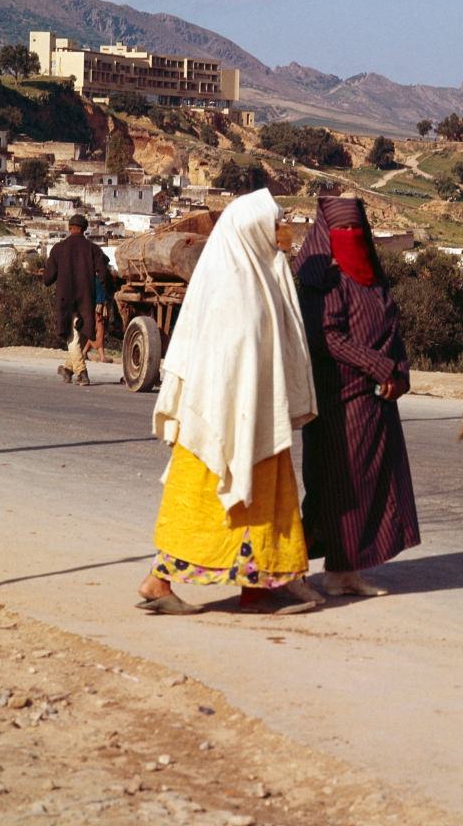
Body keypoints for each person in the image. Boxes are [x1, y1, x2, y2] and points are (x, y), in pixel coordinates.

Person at [137, 189, 321, 615]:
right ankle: (160, 581)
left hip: (250, 419)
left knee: (240, 501)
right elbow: (234, 357)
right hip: (221, 422)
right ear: (251, 229)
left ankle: (255, 587)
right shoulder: (237, 286)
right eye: (273, 224)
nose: (282, 232)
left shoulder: (254, 274)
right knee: (205, 500)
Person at [294, 196, 420, 597]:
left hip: (376, 399)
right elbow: (329, 338)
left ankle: (345, 571)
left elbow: (392, 329)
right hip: (338, 399)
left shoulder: (372, 276)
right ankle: (288, 567)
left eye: (356, 231)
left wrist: (398, 371)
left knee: (368, 486)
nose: (350, 238)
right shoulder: (323, 281)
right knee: (335, 489)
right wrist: (377, 367)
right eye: (341, 232)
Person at [44, 213, 110, 386]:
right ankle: (68, 368)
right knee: (80, 333)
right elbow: (103, 273)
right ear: (85, 229)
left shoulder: (59, 248)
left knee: (71, 334)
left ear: (69, 228)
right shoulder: (93, 249)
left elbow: (47, 278)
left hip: (65, 297)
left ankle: (81, 372)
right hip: (86, 297)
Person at [81, 268, 114, 364]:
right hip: (98, 307)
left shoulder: (94, 278)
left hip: (97, 306)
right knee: (99, 330)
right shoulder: (97, 279)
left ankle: (84, 352)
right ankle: (102, 356)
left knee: (96, 329)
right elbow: (99, 294)